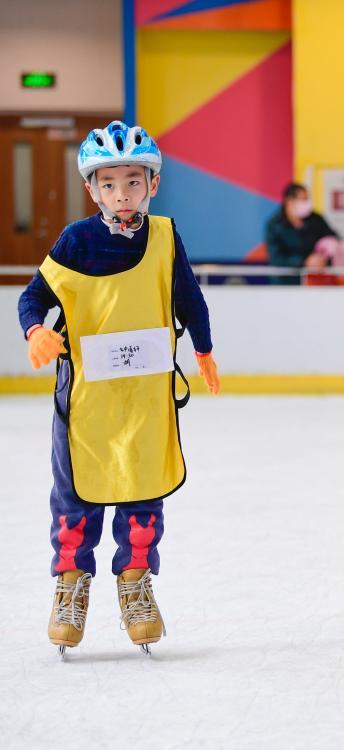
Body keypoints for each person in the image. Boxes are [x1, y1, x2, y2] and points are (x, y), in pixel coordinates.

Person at [17, 121, 221, 655]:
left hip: (145, 397)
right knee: (77, 493)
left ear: (152, 184)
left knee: (141, 486)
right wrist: (36, 331)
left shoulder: (164, 236)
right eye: (108, 183)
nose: (121, 193)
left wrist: (203, 348)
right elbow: (32, 298)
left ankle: (135, 583)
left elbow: (189, 298)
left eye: (133, 181)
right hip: (85, 401)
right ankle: (70, 585)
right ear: (92, 188)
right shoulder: (77, 241)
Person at [264, 182, 340, 285]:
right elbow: (276, 258)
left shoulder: (315, 219)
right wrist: (304, 261)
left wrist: (322, 257)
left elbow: (333, 238)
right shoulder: (274, 225)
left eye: (307, 199)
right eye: (303, 199)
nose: (307, 203)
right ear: (289, 202)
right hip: (285, 284)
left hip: (316, 282)